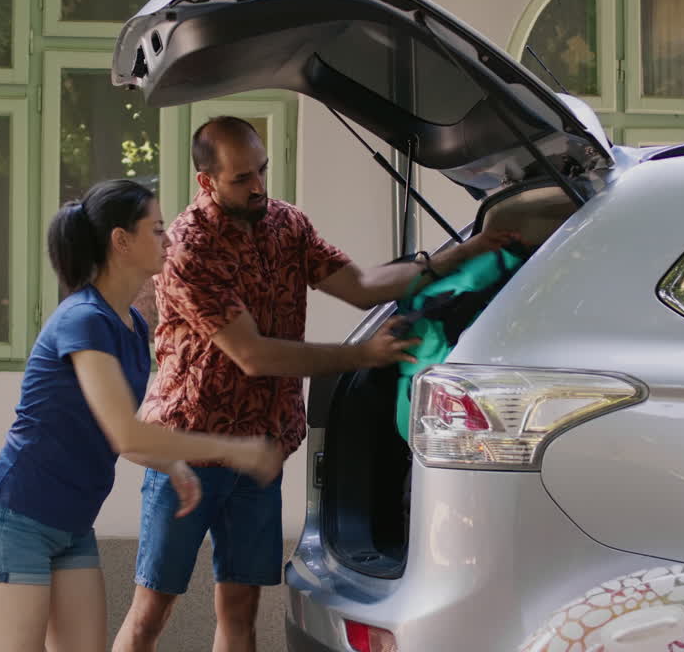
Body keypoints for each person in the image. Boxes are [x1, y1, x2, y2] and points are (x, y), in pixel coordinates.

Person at [112, 117, 515, 652]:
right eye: (240, 179)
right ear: (206, 180)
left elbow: (364, 287)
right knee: (152, 612)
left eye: (261, 171)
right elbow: (253, 355)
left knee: (240, 611)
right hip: (190, 447)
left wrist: (463, 252)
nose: (257, 187)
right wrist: (362, 355)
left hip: (260, 450)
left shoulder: (287, 225)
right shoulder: (188, 247)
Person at [0, 178, 284, 652]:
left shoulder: (132, 326)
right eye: (156, 229)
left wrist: (171, 463)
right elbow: (127, 435)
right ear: (121, 241)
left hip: (72, 527)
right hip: (16, 520)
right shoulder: (83, 319)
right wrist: (233, 449)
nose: (168, 239)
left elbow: (112, 426)